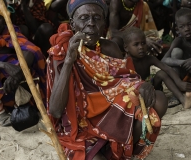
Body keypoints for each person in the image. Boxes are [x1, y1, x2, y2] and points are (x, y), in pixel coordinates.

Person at [47, 0, 167, 159]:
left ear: (104, 23)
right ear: (73, 24)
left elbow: (127, 80)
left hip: (111, 115)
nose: (91, 23)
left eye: (97, 18)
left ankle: (122, 151)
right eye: (83, 18)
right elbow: (55, 110)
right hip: (82, 125)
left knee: (158, 100)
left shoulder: (110, 48)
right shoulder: (61, 53)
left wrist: (143, 85)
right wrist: (69, 59)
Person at [0, 1, 46, 127]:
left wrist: (17, 72)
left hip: (6, 69)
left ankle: (18, 102)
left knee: (24, 66)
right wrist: (4, 65)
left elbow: (31, 51)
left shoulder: (10, 29)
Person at [123, 27, 191, 108]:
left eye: (143, 43)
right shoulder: (125, 63)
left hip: (150, 86)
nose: (141, 47)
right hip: (134, 91)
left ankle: (183, 100)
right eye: (136, 44)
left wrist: (179, 83)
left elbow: (167, 69)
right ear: (126, 48)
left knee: (162, 73)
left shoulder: (148, 59)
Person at [162, 8, 191, 108]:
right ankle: (177, 94)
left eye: (189, 24)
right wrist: (183, 62)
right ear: (177, 29)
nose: (187, 28)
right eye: (182, 26)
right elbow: (164, 60)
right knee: (176, 52)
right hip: (185, 75)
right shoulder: (179, 40)